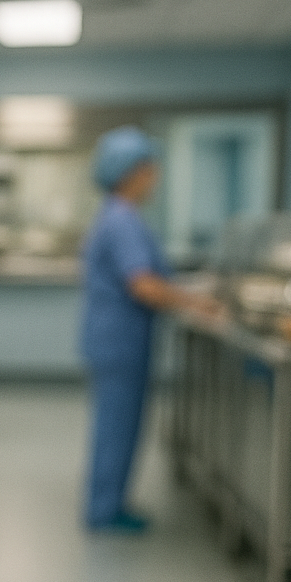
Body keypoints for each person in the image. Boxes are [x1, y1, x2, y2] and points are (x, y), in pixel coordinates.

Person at [80, 126, 218, 532]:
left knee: (117, 425)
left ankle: (108, 504)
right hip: (120, 341)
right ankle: (105, 511)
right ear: (132, 172)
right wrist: (196, 302)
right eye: (150, 169)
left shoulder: (115, 215)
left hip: (114, 337)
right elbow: (142, 283)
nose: (154, 178)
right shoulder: (123, 219)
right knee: (117, 428)